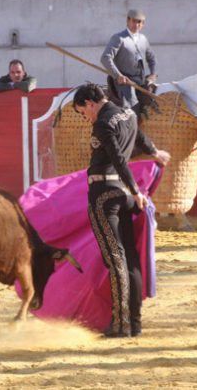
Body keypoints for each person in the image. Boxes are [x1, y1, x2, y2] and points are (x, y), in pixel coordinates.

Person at [72, 83, 170, 338]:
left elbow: (116, 157)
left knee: (116, 259)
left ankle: (121, 324)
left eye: (84, 112)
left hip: (105, 193)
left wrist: (137, 189)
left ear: (90, 103)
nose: (87, 117)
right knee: (130, 259)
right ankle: (134, 323)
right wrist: (154, 152)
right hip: (124, 195)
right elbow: (138, 136)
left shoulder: (103, 123)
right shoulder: (128, 114)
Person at [100, 9, 157, 117]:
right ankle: (132, 129)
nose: (136, 24)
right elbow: (105, 57)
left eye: (139, 22)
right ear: (128, 21)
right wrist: (118, 76)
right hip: (124, 81)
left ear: (143, 24)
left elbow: (152, 58)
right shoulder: (119, 38)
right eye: (134, 21)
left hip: (140, 79)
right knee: (132, 104)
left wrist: (153, 74)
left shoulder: (143, 39)